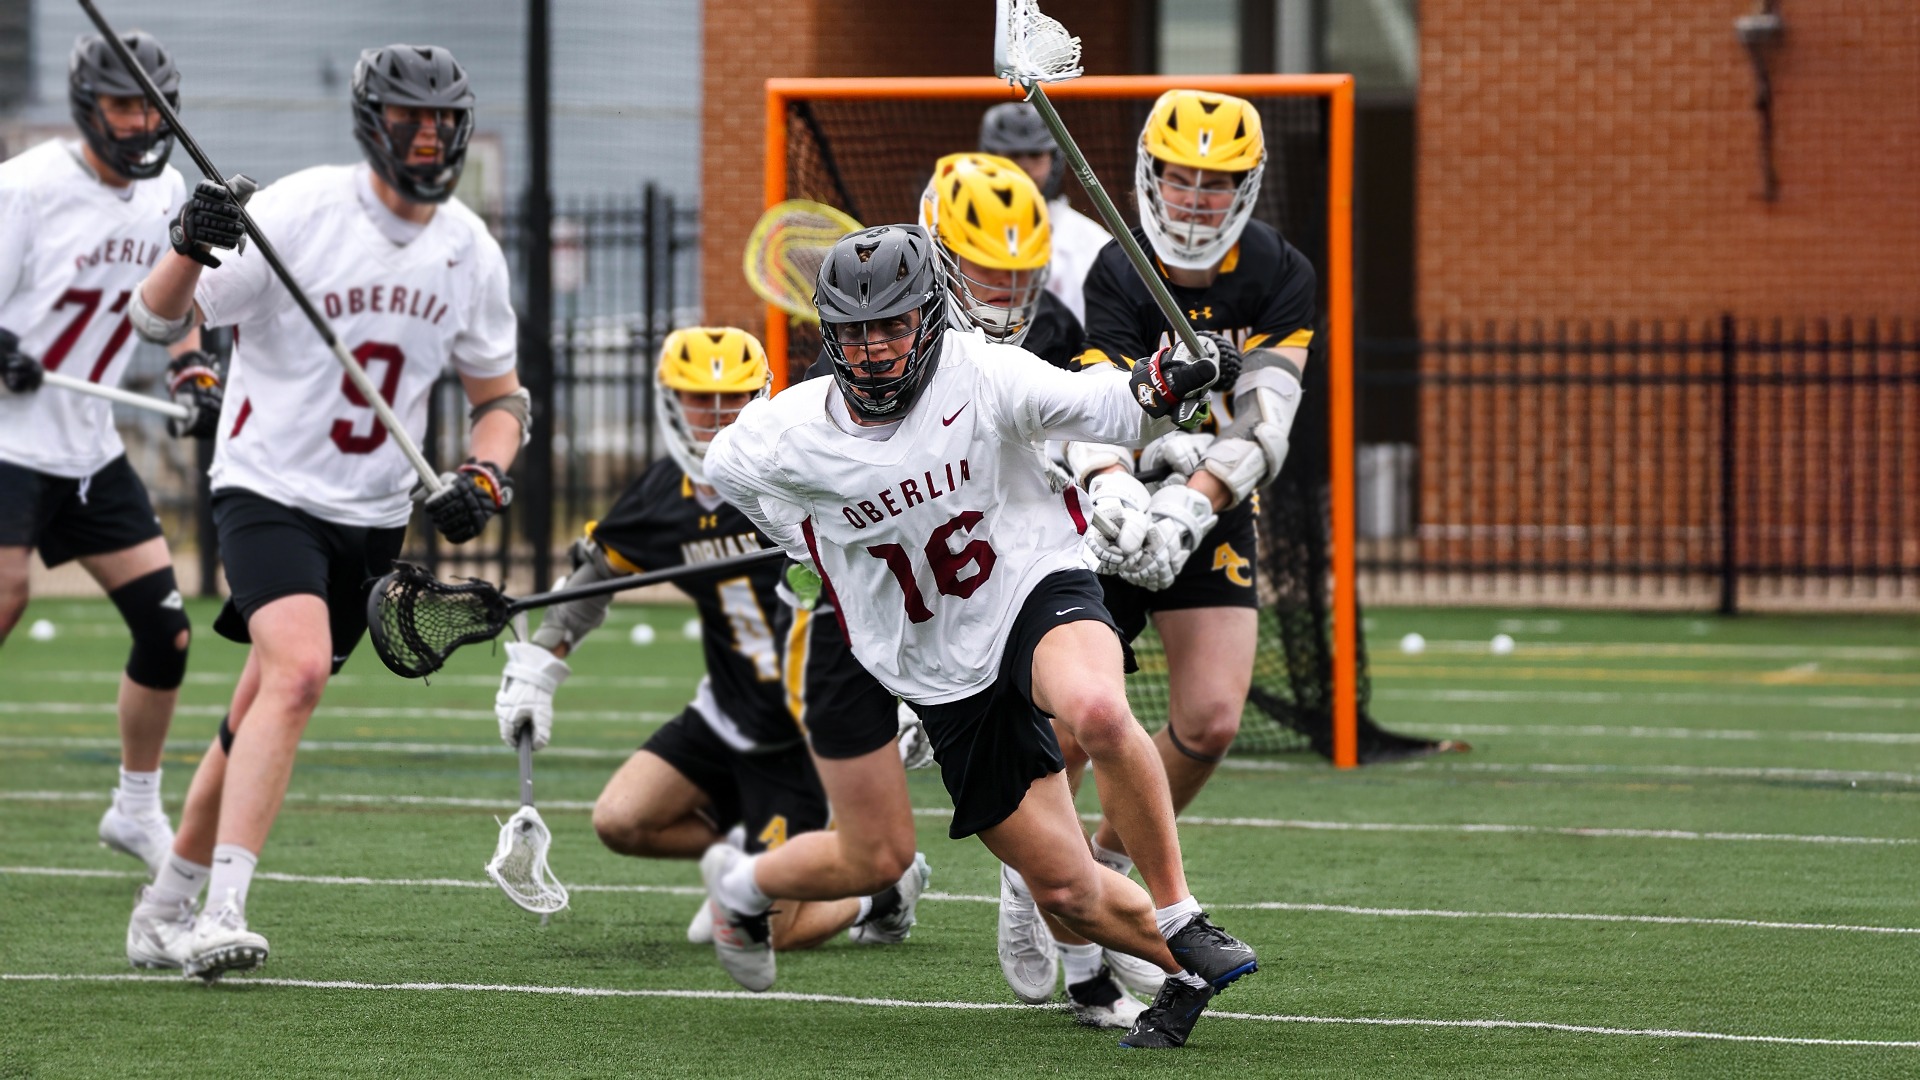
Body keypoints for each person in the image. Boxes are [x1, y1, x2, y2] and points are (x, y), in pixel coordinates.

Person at [705, 224, 1259, 1049]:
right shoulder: (788, 433)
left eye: (891, 325)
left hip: (1033, 583)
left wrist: (1165, 383)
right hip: (935, 664)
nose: (874, 349)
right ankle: (1180, 974)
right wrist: (806, 538)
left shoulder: (984, 372)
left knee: (1101, 712)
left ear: (930, 315)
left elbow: (1106, 408)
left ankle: (1181, 909)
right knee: (1066, 891)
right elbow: (725, 470)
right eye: (855, 332)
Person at [121, 44, 525, 982]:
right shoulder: (300, 211)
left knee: (261, 702)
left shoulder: (468, 246)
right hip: (267, 487)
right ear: (371, 123)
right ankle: (222, 910)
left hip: (373, 512)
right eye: (410, 120)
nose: (428, 140)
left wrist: (486, 476)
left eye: (443, 123)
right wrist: (190, 241)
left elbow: (501, 398)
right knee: (297, 673)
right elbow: (155, 318)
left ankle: (164, 904)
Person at [491, 326, 927, 964]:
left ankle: (885, 893)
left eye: (732, 399)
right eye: (701, 400)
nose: (718, 417)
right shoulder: (663, 493)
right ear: (670, 401)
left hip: (802, 735)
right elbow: (595, 576)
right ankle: (751, 849)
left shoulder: (799, 473)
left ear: (763, 394)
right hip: (725, 712)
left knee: (770, 932)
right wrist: (541, 665)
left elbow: (888, 568)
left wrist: (903, 694)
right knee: (621, 820)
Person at [1064, 89, 1306, 922]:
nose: (1194, 196)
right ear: (1149, 175)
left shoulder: (1279, 272)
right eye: (1180, 176)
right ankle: (1040, 879)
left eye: (1216, 180)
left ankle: (1103, 856)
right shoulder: (1118, 269)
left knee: (1206, 721)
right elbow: (1101, 404)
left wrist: (1196, 505)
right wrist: (1123, 487)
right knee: (1067, 722)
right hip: (1126, 496)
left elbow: (1268, 421)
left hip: (1215, 500)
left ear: (1246, 186)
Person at [0, 31, 223, 880]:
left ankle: (134, 808)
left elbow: (178, 301)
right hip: (9, 442)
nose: (140, 123)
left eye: (152, 107)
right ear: (89, 108)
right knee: (7, 597)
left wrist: (191, 369)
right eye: (126, 106)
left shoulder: (165, 192)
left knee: (165, 633)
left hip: (87, 448)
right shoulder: (26, 190)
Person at [977, 102, 1108, 326]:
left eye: (1035, 154)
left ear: (1054, 160)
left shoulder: (1092, 242)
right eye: (1013, 155)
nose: (1024, 167)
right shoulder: (957, 229)